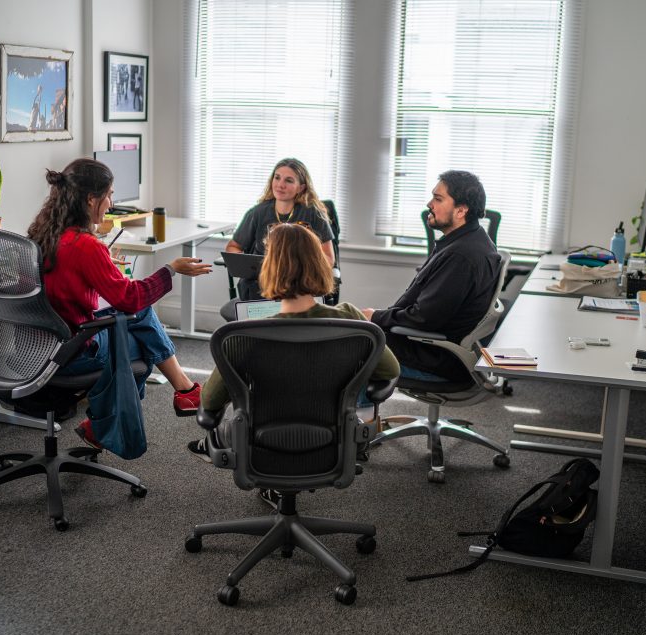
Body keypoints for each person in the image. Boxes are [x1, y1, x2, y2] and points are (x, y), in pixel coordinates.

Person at [189, 223, 400, 488]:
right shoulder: (351, 321)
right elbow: (390, 371)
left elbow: (209, 403)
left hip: (259, 441)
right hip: (334, 439)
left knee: (221, 426)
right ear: (318, 264)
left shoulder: (243, 336)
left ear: (269, 269)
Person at [26, 158, 212, 449]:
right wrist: (171, 269)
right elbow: (130, 298)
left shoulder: (44, 233)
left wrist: (102, 268)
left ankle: (180, 391)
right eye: (109, 194)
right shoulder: (85, 245)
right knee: (143, 340)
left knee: (140, 317)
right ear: (91, 199)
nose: (111, 203)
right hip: (74, 351)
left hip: (40, 346)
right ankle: (177, 393)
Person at [362, 170, 502, 383]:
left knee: (351, 344)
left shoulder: (460, 256)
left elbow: (424, 318)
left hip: (436, 358)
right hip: (435, 348)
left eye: (438, 199)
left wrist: (376, 317)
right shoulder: (470, 241)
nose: (430, 204)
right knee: (353, 330)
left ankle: (353, 416)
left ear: (461, 210)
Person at [225, 158, 335, 301]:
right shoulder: (257, 213)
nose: (280, 185)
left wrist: (302, 268)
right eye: (277, 178)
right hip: (262, 286)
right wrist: (245, 263)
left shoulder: (313, 214)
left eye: (289, 181)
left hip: (301, 287)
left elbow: (328, 259)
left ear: (301, 187)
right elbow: (233, 247)